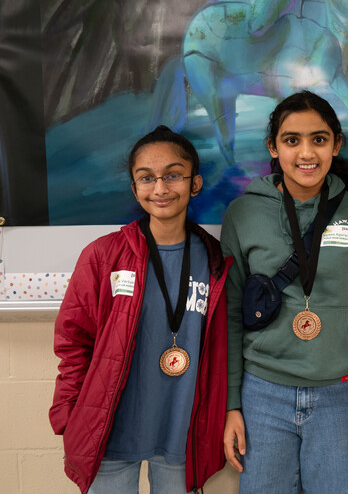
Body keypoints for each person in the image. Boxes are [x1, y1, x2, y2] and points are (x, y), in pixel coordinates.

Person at [49, 126, 231, 493]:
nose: (160, 188)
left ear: (195, 183)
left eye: (173, 175)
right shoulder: (102, 256)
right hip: (110, 433)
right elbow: (73, 341)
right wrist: (70, 412)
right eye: (147, 178)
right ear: (135, 189)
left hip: (181, 432)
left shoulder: (216, 261)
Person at [220, 91, 348, 493]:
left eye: (319, 139)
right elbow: (230, 315)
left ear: (336, 144)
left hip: (340, 394)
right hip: (262, 394)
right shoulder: (243, 214)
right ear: (273, 147)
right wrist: (232, 404)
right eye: (292, 140)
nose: (306, 153)